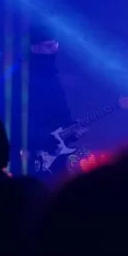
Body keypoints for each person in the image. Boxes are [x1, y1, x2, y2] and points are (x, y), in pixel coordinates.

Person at [27, 26, 78, 177]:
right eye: (49, 46)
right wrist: (41, 138)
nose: (55, 50)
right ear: (34, 48)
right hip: (30, 156)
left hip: (56, 157)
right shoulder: (20, 77)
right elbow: (11, 119)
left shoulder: (53, 78)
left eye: (56, 45)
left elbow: (62, 113)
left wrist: (72, 130)